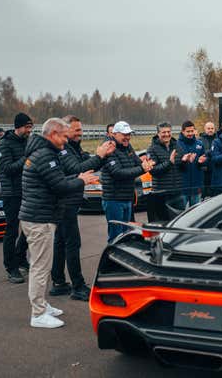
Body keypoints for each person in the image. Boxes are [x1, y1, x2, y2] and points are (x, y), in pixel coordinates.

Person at [19, 117, 98, 328]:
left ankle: (43, 305)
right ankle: (37, 313)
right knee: (40, 267)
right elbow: (60, 185)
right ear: (53, 134)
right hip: (39, 219)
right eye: (64, 136)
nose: (66, 140)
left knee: (42, 265)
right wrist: (82, 180)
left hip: (40, 217)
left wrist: (79, 177)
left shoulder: (46, 152)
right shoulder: (45, 155)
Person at [51, 115, 114, 301]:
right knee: (72, 243)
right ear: (65, 130)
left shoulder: (74, 148)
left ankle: (59, 282)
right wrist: (100, 156)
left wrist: (102, 157)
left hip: (68, 201)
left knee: (61, 242)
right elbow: (76, 168)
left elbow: (88, 163)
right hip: (65, 202)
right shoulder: (63, 150)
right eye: (76, 130)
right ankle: (77, 287)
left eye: (81, 129)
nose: (80, 133)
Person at [100, 121, 154, 242]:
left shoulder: (127, 146)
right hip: (113, 199)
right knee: (116, 237)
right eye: (124, 134)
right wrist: (142, 168)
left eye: (129, 134)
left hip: (126, 198)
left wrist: (146, 164)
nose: (127, 137)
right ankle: (112, 260)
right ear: (115, 134)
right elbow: (118, 173)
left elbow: (138, 163)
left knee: (126, 234)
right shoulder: (108, 148)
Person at [0, 112, 33, 284]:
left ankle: (20, 257)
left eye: (30, 127)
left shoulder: (27, 142)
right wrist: (26, 159)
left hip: (26, 191)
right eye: (27, 127)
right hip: (11, 194)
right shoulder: (3, 145)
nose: (29, 131)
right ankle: (11, 267)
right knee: (12, 231)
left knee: (28, 228)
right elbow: (8, 169)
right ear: (18, 127)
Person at [146, 122, 183, 222]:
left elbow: (182, 168)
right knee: (163, 225)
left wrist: (186, 161)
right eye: (163, 132)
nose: (167, 134)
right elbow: (153, 171)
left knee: (180, 224)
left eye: (168, 132)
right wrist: (169, 163)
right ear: (158, 134)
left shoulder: (177, 146)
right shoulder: (151, 149)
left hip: (178, 193)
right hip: (162, 195)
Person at [177, 120, 207, 206]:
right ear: (183, 131)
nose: (190, 133)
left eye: (192, 131)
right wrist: (184, 161)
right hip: (182, 187)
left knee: (196, 213)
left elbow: (204, 162)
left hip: (196, 186)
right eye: (188, 131)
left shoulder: (199, 144)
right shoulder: (177, 144)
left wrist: (201, 162)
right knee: (181, 214)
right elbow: (176, 165)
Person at [199, 121, 216, 197]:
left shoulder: (218, 139)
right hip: (203, 171)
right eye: (208, 128)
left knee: (214, 195)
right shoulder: (199, 140)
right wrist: (209, 152)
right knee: (203, 194)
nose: (210, 130)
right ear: (205, 129)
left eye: (212, 128)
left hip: (215, 170)